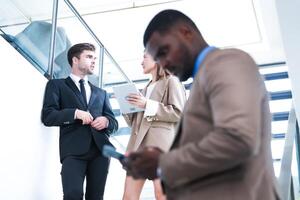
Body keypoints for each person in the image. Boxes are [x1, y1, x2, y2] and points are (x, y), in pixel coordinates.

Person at [123, 9, 281, 200]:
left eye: (164, 52)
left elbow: (238, 139)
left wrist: (163, 162)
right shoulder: (201, 80)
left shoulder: (227, 62)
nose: (164, 63)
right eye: (158, 59)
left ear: (186, 32)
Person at [41, 43, 118, 200]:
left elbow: (114, 123)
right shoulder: (57, 85)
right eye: (89, 57)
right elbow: (48, 116)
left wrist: (106, 121)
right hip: (73, 151)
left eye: (95, 58)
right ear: (75, 60)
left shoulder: (101, 93)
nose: (94, 61)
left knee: (96, 197)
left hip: (100, 151)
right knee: (72, 194)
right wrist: (75, 113)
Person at [122, 51, 186, 200]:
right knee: (129, 196)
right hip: (139, 149)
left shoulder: (172, 81)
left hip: (161, 148)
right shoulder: (144, 89)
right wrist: (127, 108)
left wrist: (147, 104)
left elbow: (178, 112)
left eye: (144, 57)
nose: (141, 61)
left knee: (161, 194)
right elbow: (135, 123)